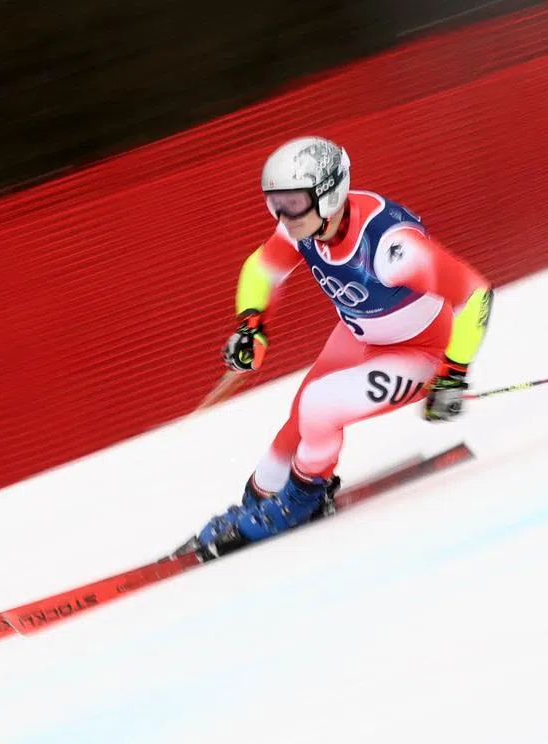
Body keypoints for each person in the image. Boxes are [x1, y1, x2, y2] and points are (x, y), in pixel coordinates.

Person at [195, 136, 493, 557]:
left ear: (329, 195)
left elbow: (476, 295)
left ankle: (302, 499)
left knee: (320, 405)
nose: (283, 216)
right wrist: (251, 324)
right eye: (275, 204)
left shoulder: (392, 248)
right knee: (299, 419)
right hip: (362, 335)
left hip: (420, 353)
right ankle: (258, 501)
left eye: (293, 203)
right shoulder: (305, 225)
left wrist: (453, 373)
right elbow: (261, 269)